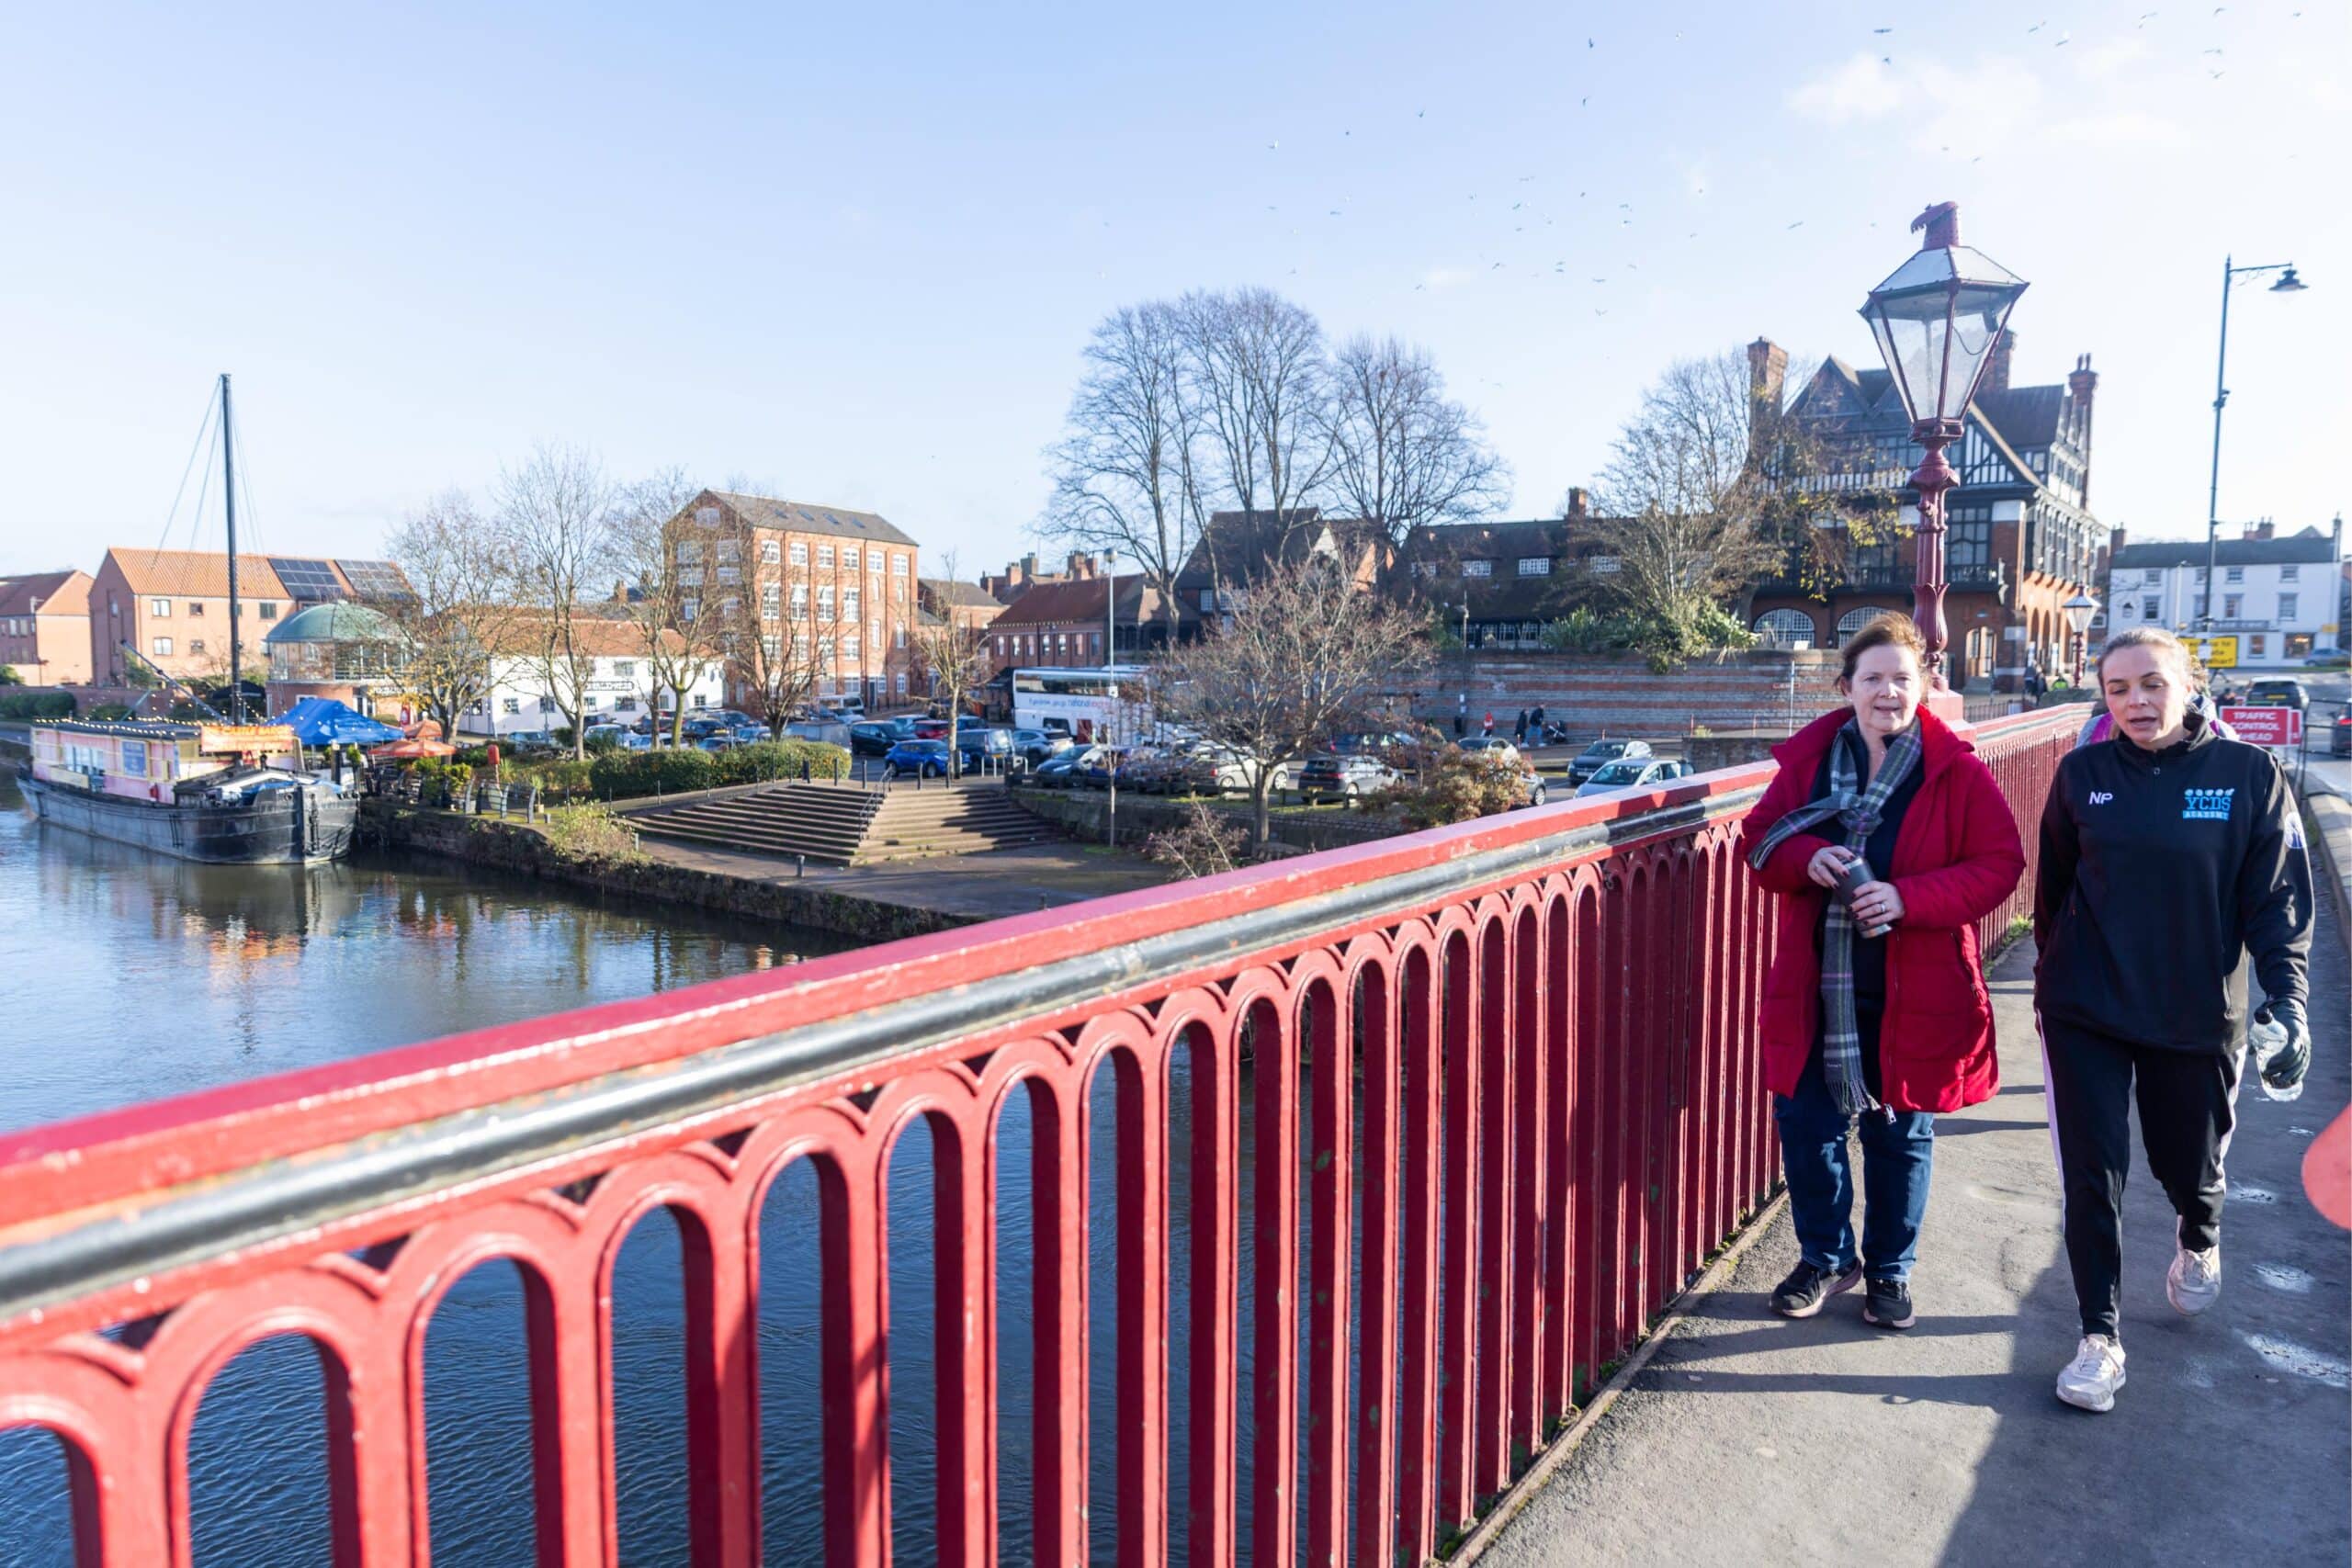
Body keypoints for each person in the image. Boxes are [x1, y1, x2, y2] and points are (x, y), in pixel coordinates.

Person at [2035, 626, 2312, 1414]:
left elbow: (2278, 904)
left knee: (2183, 1164)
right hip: (2086, 1005)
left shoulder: (2246, 775)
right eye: (2118, 689)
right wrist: (2052, 983)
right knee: (2093, 1174)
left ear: (2189, 684)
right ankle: (2099, 1338)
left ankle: (2199, 1233)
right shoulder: (2082, 773)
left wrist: (2287, 1001)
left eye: (2152, 683)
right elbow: (2055, 888)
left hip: (2193, 1009)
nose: (2136, 702)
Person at [1747, 615, 2026, 1331]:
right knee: (1806, 1126)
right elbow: (1759, 839)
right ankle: (1826, 1257)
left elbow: (2000, 864)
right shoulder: (1808, 765)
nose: (1888, 692)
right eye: (1872, 678)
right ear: (1846, 687)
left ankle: (1891, 1271)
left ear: (1925, 686)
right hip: (1817, 986)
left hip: (1916, 987)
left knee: (1900, 1135)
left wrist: (1908, 897)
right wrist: (1805, 857)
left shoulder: (1955, 770)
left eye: (1903, 678)